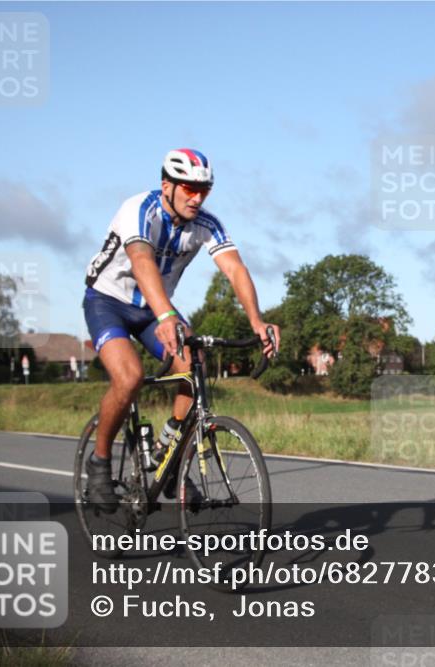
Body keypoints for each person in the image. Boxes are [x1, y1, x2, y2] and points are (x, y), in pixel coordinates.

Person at [83, 148, 279, 509]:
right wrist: (165, 316)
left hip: (153, 308)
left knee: (193, 362)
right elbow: (141, 260)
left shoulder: (206, 224)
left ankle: (167, 453)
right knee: (128, 378)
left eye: (204, 189)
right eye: (189, 188)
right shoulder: (140, 209)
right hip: (108, 302)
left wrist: (256, 319)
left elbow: (235, 268)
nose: (197, 197)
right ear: (167, 186)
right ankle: (98, 463)